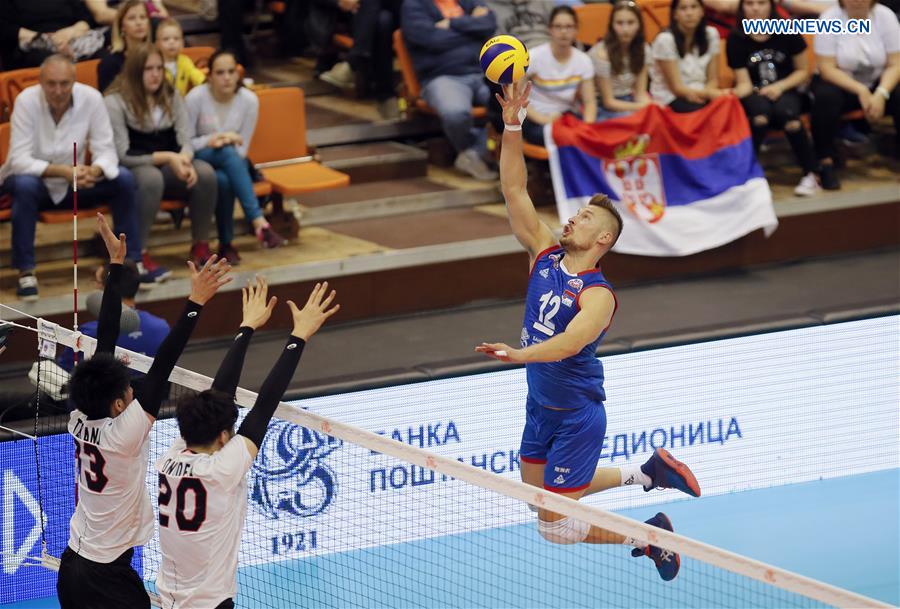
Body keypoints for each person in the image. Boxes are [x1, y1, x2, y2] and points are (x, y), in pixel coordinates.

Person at [476, 80, 701, 581]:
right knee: (539, 501)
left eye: (583, 218)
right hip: (540, 405)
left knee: (554, 527)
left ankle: (650, 535)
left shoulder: (598, 295)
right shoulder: (543, 253)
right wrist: (513, 124)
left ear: (602, 238)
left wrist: (519, 354)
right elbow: (513, 188)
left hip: (578, 417)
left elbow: (569, 343)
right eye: (575, 212)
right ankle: (646, 474)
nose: (571, 218)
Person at [56, 213, 231, 609]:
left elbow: (105, 339)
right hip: (105, 575)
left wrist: (116, 266)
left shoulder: (78, 416)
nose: (134, 392)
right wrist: (196, 302)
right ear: (119, 404)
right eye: (128, 391)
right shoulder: (124, 433)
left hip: (74, 566)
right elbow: (164, 360)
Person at [155, 278, 339, 609]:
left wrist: (247, 327)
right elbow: (264, 406)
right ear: (224, 436)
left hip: (169, 600)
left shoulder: (171, 457)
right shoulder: (222, 469)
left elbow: (222, 396)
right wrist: (298, 337)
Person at [0, 54, 144, 301]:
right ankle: (26, 270)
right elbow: (18, 160)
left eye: (64, 83)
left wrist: (94, 171)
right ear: (41, 82)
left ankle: (130, 263)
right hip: (37, 183)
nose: (58, 90)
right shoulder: (26, 101)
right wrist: (65, 172)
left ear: (74, 81)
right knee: (24, 184)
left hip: (79, 182)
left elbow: (106, 150)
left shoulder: (91, 98)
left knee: (123, 179)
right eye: (51, 84)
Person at [105, 44, 218, 276]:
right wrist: (170, 158)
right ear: (136, 71)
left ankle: (200, 246)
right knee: (151, 178)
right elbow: (123, 154)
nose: (156, 74)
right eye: (149, 69)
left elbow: (186, 138)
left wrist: (185, 160)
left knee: (205, 173)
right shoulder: (115, 101)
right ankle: (138, 252)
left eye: (159, 68)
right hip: (135, 165)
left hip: (172, 164)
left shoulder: (171, 95)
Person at [186, 49, 286, 263]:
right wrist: (212, 140)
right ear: (209, 75)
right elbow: (185, 143)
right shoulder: (196, 98)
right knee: (228, 153)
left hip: (230, 163)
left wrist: (225, 145)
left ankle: (226, 245)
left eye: (231, 71)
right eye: (220, 72)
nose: (227, 77)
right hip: (198, 158)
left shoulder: (249, 100)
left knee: (224, 180)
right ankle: (258, 222)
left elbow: (243, 148)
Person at [728, 0, 820, 196]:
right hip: (755, 92)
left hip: (786, 88)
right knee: (760, 117)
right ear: (741, 7)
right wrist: (729, 96)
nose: (755, 8)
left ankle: (811, 173)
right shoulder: (736, 37)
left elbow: (803, 71)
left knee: (790, 118)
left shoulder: (787, 30)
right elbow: (743, 81)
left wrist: (780, 86)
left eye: (761, 3)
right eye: (749, 3)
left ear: (771, 6)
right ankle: (746, 174)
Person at [401, 0, 499, 181]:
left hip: (481, 72)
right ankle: (474, 150)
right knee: (455, 113)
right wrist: (471, 29)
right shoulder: (413, 5)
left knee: (510, 104)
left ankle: (473, 153)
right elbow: (431, 39)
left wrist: (452, 24)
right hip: (443, 76)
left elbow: (490, 23)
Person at [810, 0, 900, 190]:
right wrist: (861, 90)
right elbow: (827, 68)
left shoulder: (886, 17)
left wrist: (881, 93)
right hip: (841, 82)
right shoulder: (829, 18)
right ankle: (825, 162)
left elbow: (896, 63)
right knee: (826, 96)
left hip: (877, 82)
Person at [56, 260, 170, 372]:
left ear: (106, 289)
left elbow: (62, 371)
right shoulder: (163, 328)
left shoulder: (88, 334)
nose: (95, 287)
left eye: (97, 282)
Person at [521, 6, 596, 146]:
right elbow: (518, 99)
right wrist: (545, 120)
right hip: (535, 118)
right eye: (558, 26)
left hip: (566, 115)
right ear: (550, 29)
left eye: (569, 27)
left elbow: (589, 102)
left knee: (587, 135)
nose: (563, 32)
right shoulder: (532, 57)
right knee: (563, 137)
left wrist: (587, 127)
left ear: (576, 30)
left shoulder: (583, 61)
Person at [648, 0, 728, 112]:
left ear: (702, 11)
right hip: (671, 97)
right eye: (683, 8)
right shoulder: (665, 40)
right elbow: (677, 88)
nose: (689, 13)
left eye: (694, 7)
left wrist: (707, 94)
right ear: (675, 14)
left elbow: (713, 80)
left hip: (702, 91)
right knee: (708, 113)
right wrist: (708, 94)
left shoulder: (711, 34)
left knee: (729, 104)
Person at [590, 0, 652, 121]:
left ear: (639, 24)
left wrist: (651, 107)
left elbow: (640, 93)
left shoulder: (644, 49)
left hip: (630, 99)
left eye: (631, 23)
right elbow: (608, 102)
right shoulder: (602, 54)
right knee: (632, 121)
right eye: (619, 23)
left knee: (659, 116)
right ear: (611, 26)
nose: (625, 29)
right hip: (604, 106)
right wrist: (642, 107)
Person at [0, 0, 107, 68]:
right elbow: (6, 28)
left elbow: (87, 19)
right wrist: (46, 39)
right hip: (31, 44)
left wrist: (70, 32)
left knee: (106, 58)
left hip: (70, 39)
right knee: (53, 62)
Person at [98, 0, 152, 92]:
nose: (139, 23)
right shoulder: (110, 63)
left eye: (143, 17)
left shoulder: (155, 56)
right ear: (122, 26)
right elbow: (109, 100)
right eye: (132, 18)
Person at [155, 19, 206, 96]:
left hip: (180, 103)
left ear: (182, 43)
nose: (171, 42)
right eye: (166, 39)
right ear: (157, 44)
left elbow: (197, 76)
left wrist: (206, 84)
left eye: (176, 39)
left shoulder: (185, 61)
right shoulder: (155, 64)